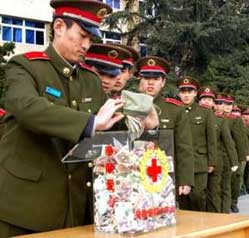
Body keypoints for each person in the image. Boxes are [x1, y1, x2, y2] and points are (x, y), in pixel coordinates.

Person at [0, 1, 123, 237]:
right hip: (26, 208)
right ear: (58, 26)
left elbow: (105, 135)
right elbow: (28, 108)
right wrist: (90, 123)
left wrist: (145, 124)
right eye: (82, 35)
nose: (87, 45)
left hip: (76, 208)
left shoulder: (90, 80)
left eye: (91, 39)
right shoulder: (24, 67)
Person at [136, 56, 195, 206]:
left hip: (164, 178)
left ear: (163, 82)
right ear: (139, 79)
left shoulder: (175, 110)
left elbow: (184, 147)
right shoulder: (127, 106)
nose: (150, 82)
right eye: (146, 77)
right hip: (134, 177)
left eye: (156, 78)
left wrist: (185, 180)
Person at [176, 78, 217, 211]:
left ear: (195, 93)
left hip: (199, 161)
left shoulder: (205, 112)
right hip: (180, 162)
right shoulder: (174, 111)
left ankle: (201, 223)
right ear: (179, 93)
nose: (186, 95)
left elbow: (211, 139)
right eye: (183, 91)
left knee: (198, 195)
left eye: (190, 91)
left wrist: (212, 161)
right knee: (182, 197)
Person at [223, 96, 249, 213]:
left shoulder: (236, 120)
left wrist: (243, 156)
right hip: (223, 154)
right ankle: (225, 203)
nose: (227, 107)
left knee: (235, 180)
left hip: (235, 155)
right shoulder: (215, 117)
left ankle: (234, 202)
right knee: (224, 182)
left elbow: (241, 139)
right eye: (225, 104)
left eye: (229, 105)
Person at [213, 93, 238, 213]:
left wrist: (237, 159)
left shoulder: (231, 120)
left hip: (227, 157)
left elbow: (236, 140)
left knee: (226, 187)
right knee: (215, 188)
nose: (219, 106)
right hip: (215, 157)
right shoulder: (210, 117)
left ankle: (226, 211)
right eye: (217, 103)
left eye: (221, 103)